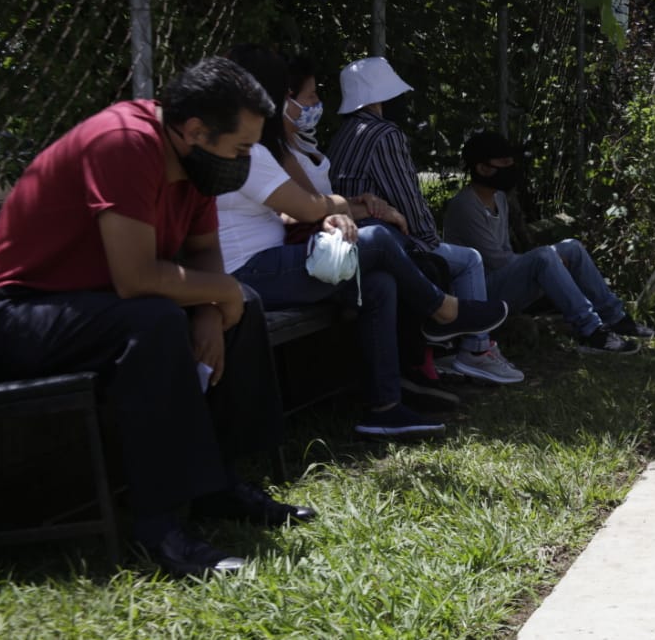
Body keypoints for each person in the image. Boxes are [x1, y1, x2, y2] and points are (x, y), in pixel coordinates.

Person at [0, 57, 316, 578]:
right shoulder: (124, 142)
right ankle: (160, 530)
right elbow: (135, 278)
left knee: (243, 305)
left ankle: (221, 485)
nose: (246, 160)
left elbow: (202, 253)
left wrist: (212, 306)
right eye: (242, 148)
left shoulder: (198, 162)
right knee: (154, 320)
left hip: (96, 303)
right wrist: (216, 292)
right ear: (195, 130)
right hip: (11, 312)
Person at [216, 46, 515, 441]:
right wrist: (347, 207)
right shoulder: (249, 151)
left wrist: (340, 209)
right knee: (377, 237)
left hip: (274, 263)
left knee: (378, 283)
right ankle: (443, 310)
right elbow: (306, 208)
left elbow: (293, 210)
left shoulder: (260, 148)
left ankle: (384, 408)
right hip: (250, 274)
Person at [325, 57, 526, 378]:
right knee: (469, 259)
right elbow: (407, 200)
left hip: (352, 240)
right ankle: (476, 348)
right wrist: (430, 241)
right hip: (388, 241)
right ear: (379, 98)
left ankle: (449, 345)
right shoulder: (385, 133)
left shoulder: (344, 134)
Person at [443, 131, 654, 355]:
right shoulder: (464, 206)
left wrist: (551, 259)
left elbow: (505, 250)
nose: (511, 166)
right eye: (504, 162)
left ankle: (615, 317)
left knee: (571, 247)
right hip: (479, 294)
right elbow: (495, 260)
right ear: (483, 168)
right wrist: (549, 260)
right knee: (544, 256)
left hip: (501, 280)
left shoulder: (499, 198)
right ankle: (591, 331)